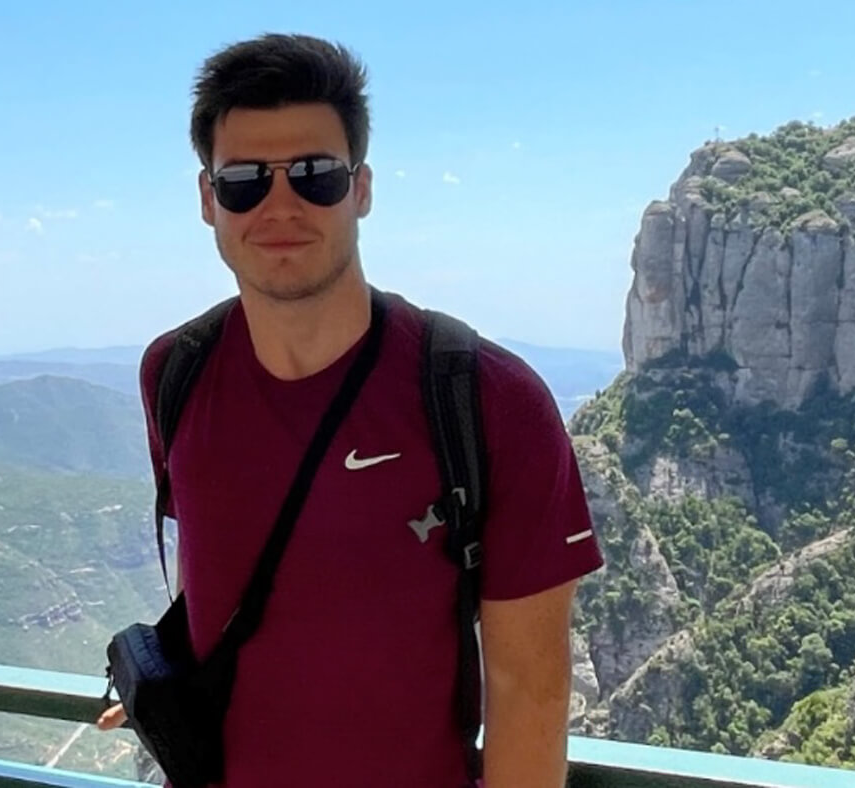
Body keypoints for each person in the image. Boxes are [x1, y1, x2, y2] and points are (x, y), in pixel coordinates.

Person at [97, 32, 604, 788]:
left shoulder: (490, 401)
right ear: (208, 201)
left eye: (314, 175)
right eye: (243, 180)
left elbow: (531, 693)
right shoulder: (174, 373)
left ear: (361, 188)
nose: (280, 205)